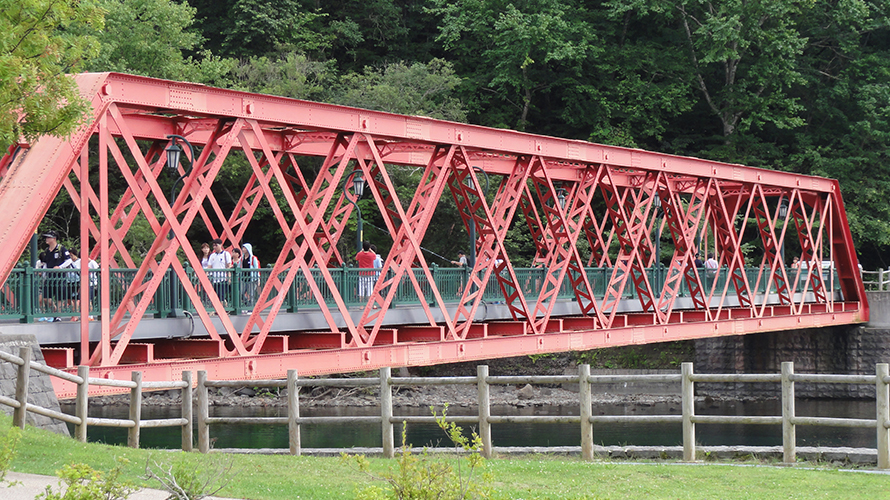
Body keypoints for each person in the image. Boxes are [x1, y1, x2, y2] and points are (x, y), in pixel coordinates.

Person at [38, 231, 71, 322]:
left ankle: (58, 315)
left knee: (59, 297)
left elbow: (69, 261)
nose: (46, 239)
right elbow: (45, 264)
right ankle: (54, 310)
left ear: (54, 238)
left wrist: (60, 267)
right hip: (49, 277)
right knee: (45, 297)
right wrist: (43, 274)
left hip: (60, 277)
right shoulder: (47, 251)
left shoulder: (61, 249)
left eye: (48, 237)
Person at [66, 247, 98, 321]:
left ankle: (90, 316)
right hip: (83, 284)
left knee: (88, 300)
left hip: (91, 283)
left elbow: (98, 270)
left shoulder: (92, 262)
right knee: (81, 299)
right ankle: (81, 315)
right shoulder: (81, 263)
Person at [206, 238, 232, 304]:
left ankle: (222, 307)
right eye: (213, 246)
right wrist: (206, 275)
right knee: (216, 295)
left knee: (221, 294)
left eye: (216, 245)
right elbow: (209, 266)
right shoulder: (212, 255)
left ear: (220, 245)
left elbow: (229, 266)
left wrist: (229, 277)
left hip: (223, 277)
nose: (215, 247)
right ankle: (223, 307)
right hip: (215, 278)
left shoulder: (226, 254)